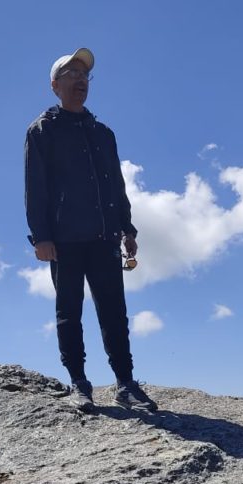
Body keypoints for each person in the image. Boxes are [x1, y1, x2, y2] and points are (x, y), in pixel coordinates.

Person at [24, 47, 157, 413]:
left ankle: (126, 383)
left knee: (114, 311)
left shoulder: (102, 133)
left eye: (85, 75)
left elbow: (116, 184)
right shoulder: (42, 130)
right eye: (71, 74)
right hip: (63, 238)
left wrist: (127, 228)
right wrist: (41, 236)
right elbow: (35, 186)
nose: (80, 80)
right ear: (55, 85)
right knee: (69, 311)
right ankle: (79, 383)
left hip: (104, 236)